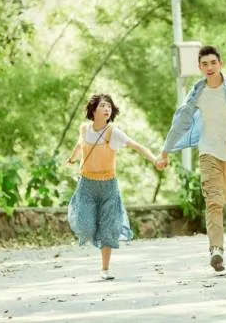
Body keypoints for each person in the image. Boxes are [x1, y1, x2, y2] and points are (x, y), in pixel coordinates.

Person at [156, 45, 226, 272]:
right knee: (213, 201)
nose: (209, 67)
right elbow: (180, 123)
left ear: (220, 64)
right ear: (199, 67)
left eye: (213, 63)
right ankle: (216, 250)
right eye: (204, 64)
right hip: (208, 150)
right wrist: (165, 151)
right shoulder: (198, 92)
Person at [65, 93, 159, 280]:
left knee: (108, 229)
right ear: (93, 110)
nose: (107, 109)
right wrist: (72, 159)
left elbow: (137, 146)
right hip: (87, 185)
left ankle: (105, 269)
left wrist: (155, 160)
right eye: (102, 105)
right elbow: (80, 146)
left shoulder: (113, 132)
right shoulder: (84, 129)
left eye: (109, 106)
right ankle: (97, 237)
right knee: (86, 226)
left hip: (108, 186)